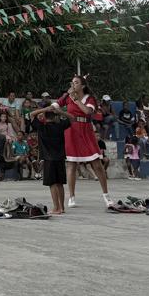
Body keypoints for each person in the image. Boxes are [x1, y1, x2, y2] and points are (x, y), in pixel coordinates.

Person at [59, 76, 112, 210]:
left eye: (76, 82)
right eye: (72, 82)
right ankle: (71, 197)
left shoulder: (89, 98)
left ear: (82, 86)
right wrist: (42, 111)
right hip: (71, 131)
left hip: (86, 131)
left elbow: (87, 111)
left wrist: (76, 99)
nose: (73, 84)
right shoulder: (67, 97)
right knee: (71, 164)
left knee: (97, 164)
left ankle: (106, 195)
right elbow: (56, 105)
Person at [30, 100, 71, 215]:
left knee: (52, 183)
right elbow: (72, 118)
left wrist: (45, 109)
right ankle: (62, 207)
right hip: (60, 158)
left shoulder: (42, 127)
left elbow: (31, 114)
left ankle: (56, 208)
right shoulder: (60, 126)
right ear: (55, 116)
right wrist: (60, 112)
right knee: (60, 183)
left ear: (44, 116)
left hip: (49, 159)